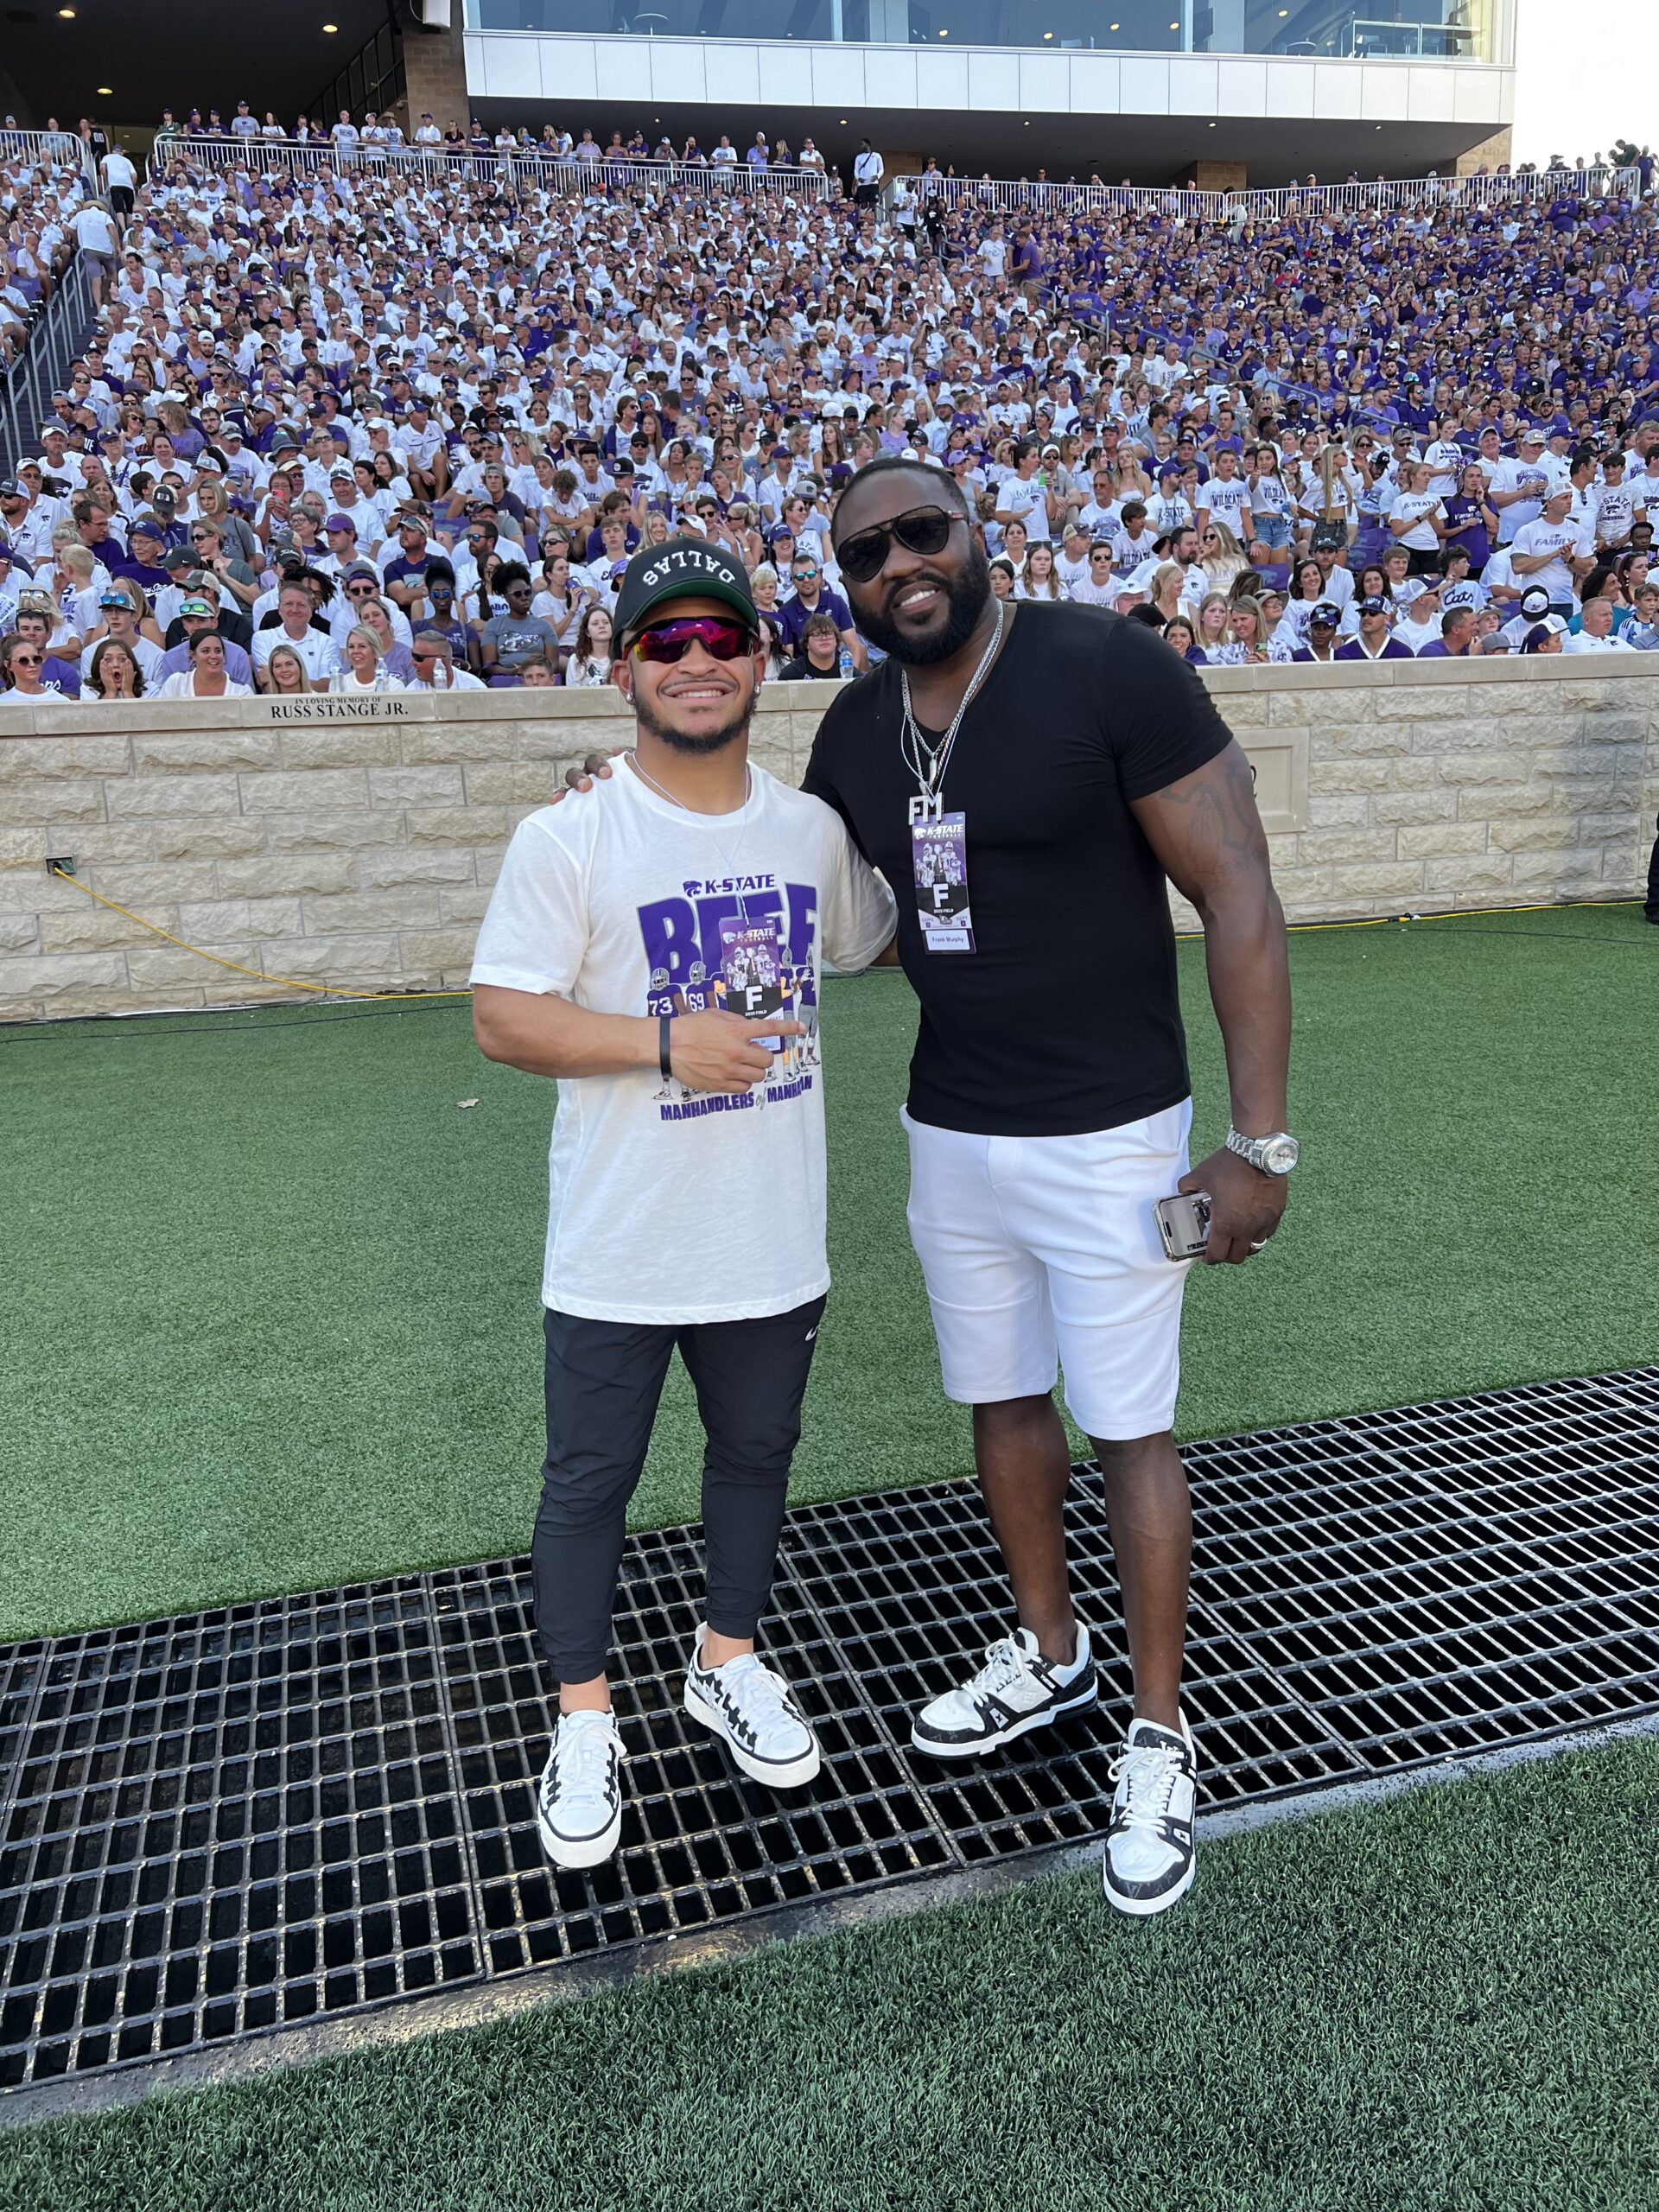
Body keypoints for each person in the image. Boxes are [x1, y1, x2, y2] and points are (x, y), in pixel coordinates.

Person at [800, 454, 1295, 1919]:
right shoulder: (852, 728)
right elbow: (837, 901)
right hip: (952, 1129)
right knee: (1002, 1398)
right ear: (848, 585)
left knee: (1129, 1425)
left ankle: (1158, 1732)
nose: (900, 564)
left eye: (922, 532)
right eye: (867, 552)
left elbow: (1239, 888)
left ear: (979, 535)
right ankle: (1050, 1649)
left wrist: (1258, 1143)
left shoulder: (1103, 665)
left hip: (1115, 1137)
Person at [468, 538, 897, 1871]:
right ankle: (584, 1716)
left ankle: (726, 1661)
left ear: (762, 662)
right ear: (624, 672)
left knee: (757, 1456)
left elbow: (877, 932)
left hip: (770, 1235)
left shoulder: (808, 831)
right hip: (620, 1242)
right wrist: (664, 1044)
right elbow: (502, 1018)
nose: (697, 661)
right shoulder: (572, 831)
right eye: (667, 641)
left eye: (722, 638)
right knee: (589, 1480)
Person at [158, 630, 253, 698]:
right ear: (193, 655)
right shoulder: (176, 682)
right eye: (205, 651)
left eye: (218, 651)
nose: (213, 656)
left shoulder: (242, 691)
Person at [779, 611, 844, 681]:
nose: (824, 638)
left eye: (829, 633)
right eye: (817, 634)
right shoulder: (791, 675)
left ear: (836, 640)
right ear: (807, 643)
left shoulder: (849, 672)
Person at [564, 605, 613, 687]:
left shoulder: (621, 658)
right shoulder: (576, 660)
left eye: (606, 622)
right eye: (595, 623)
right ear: (587, 632)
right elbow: (572, 692)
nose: (602, 626)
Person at [85, 637, 144, 701]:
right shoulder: (88, 689)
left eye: (122, 660)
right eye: (108, 660)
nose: (116, 665)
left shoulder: (148, 687)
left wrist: (127, 691)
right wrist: (110, 692)